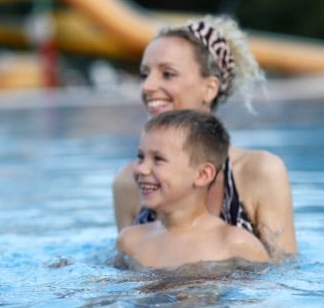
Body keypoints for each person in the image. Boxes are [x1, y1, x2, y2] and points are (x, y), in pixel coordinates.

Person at [112, 15, 297, 260]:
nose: (147, 86)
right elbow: (128, 273)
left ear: (210, 88)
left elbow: (281, 277)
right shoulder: (130, 181)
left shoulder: (260, 172)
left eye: (167, 74)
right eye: (145, 74)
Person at [116, 109, 271, 269]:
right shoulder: (130, 241)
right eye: (140, 157)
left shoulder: (235, 244)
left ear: (203, 174)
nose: (142, 169)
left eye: (158, 159)